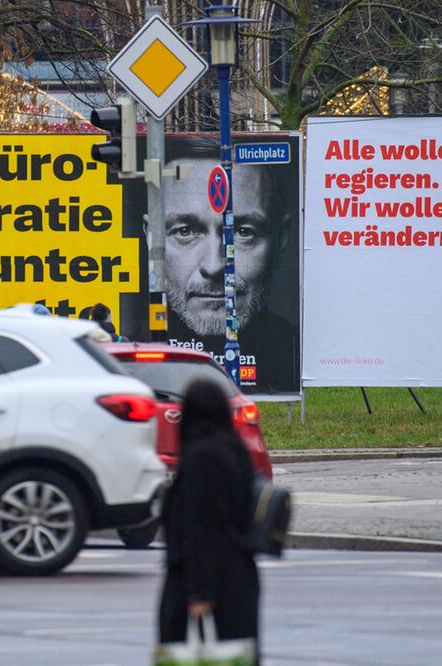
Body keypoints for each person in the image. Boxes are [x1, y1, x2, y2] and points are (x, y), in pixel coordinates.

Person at [163, 136, 299, 393]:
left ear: (281, 240)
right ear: (151, 238)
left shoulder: (297, 348)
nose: (214, 266)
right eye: (185, 231)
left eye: (243, 232)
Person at [157, 378, 259, 657]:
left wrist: (199, 592)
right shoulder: (236, 452)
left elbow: (202, 526)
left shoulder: (202, 459)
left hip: (203, 580)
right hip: (238, 576)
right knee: (237, 654)